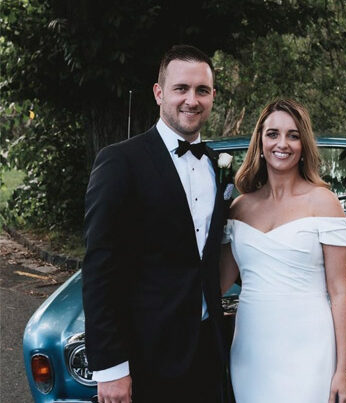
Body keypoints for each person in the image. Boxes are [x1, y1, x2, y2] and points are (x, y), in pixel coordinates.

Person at [82, 45, 229, 403]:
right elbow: (99, 269)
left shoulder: (216, 166)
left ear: (212, 97)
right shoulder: (120, 162)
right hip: (144, 358)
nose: (191, 100)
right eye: (181, 88)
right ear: (159, 93)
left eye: (202, 90)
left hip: (208, 352)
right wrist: (111, 368)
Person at [220, 99, 346, 403]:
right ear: (260, 142)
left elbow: (340, 291)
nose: (282, 144)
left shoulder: (323, 203)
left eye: (293, 135)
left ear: (304, 145)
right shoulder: (239, 208)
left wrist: (342, 370)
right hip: (251, 348)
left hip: (309, 346)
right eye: (273, 134)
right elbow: (220, 281)